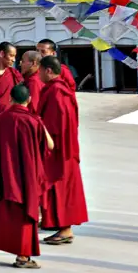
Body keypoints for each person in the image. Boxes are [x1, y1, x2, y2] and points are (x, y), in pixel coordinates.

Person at [0, 83, 52, 269]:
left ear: (10, 99)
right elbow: (50, 146)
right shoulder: (34, 122)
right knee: (23, 215)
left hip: (1, 178)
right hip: (24, 179)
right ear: (29, 100)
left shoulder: (0, 119)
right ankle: (22, 257)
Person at [37, 55, 88, 245]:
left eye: (40, 71)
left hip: (60, 150)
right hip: (63, 149)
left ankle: (65, 229)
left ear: (48, 70)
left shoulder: (57, 92)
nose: (39, 75)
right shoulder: (57, 89)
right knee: (60, 189)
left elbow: (55, 125)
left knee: (61, 189)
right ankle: (63, 228)